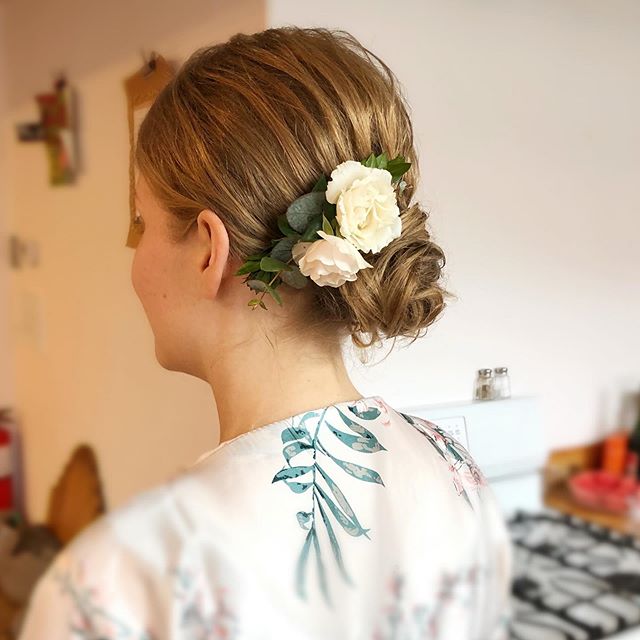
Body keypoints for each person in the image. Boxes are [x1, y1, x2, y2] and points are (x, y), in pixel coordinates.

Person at [18, 26, 512, 639]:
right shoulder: (449, 462)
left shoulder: (115, 589)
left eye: (143, 223)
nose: (137, 258)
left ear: (207, 250)